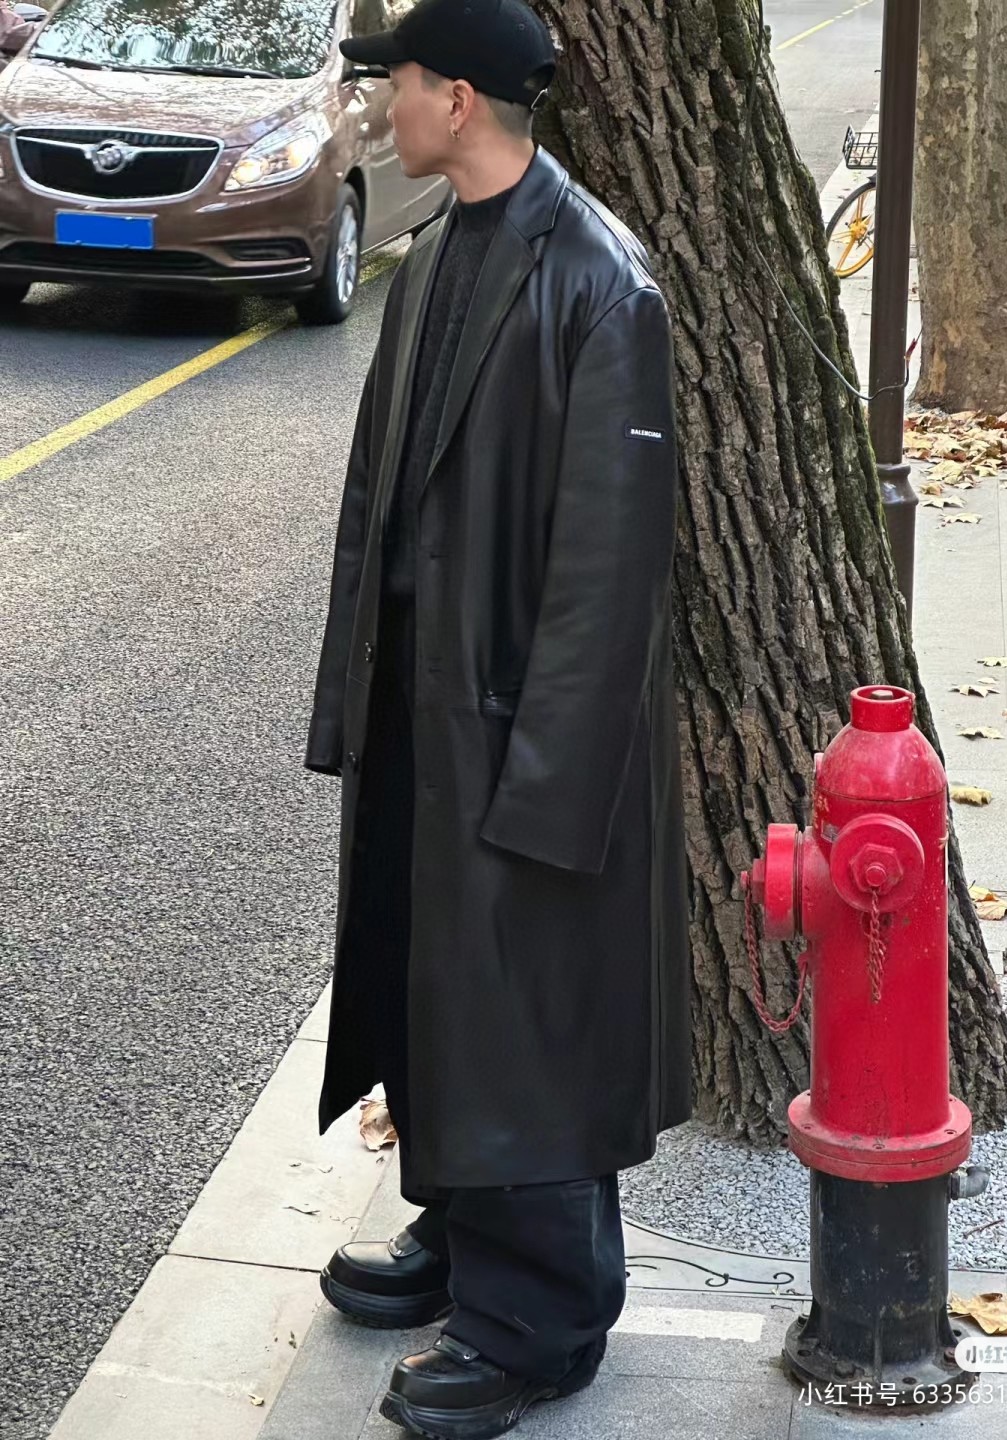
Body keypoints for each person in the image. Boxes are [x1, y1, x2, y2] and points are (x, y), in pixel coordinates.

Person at [303, 0, 692, 1435]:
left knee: (525, 1013)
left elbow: (609, 577)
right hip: (429, 709)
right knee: (437, 987)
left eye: (395, 84)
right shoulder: (437, 252)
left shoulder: (601, 282)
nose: (379, 108)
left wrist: (544, 789)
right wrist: (355, 699)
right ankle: (466, 1232)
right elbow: (377, 501)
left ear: (456, 97)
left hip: (525, 736)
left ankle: (540, 1324)